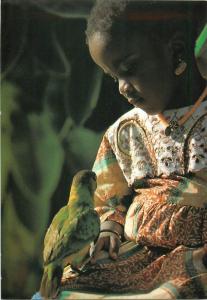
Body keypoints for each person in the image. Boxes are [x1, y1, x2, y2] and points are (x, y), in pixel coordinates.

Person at [60, 0, 207, 299]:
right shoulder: (124, 132)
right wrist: (108, 228)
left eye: (129, 69)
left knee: (174, 291)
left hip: (197, 253)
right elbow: (108, 196)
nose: (122, 88)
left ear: (176, 52)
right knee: (73, 284)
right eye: (114, 77)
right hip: (136, 251)